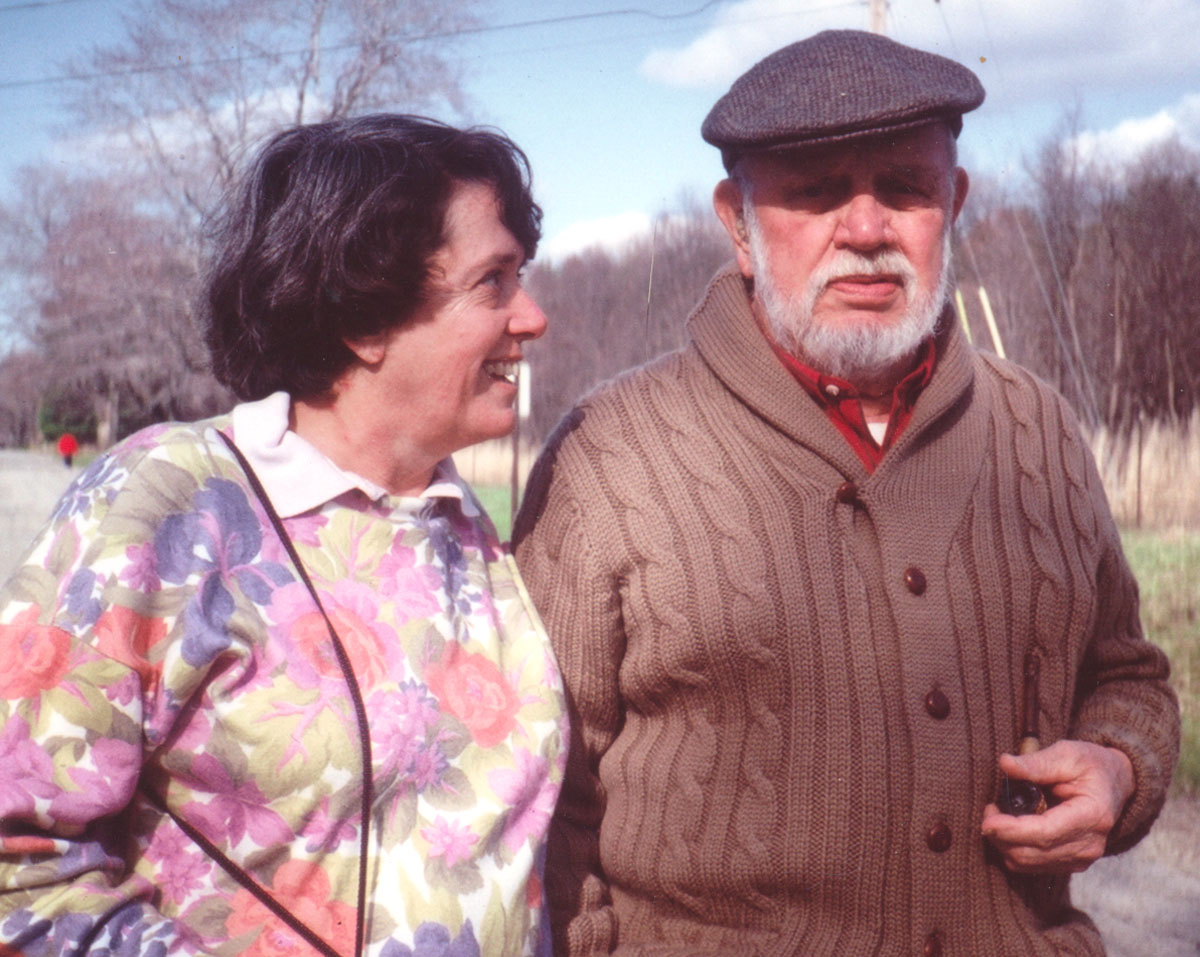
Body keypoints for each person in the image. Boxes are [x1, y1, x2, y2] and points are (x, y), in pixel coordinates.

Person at [514, 30, 1180, 956]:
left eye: (905, 189)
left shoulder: (1040, 431)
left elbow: (1127, 677)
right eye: (818, 193)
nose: (866, 232)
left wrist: (1119, 765)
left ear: (954, 202)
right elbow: (537, 806)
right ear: (737, 224)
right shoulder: (609, 459)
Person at [0, 115, 566, 956]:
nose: (534, 316)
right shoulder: (169, 501)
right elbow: (22, 866)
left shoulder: (472, 529)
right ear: (364, 320)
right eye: (493, 282)